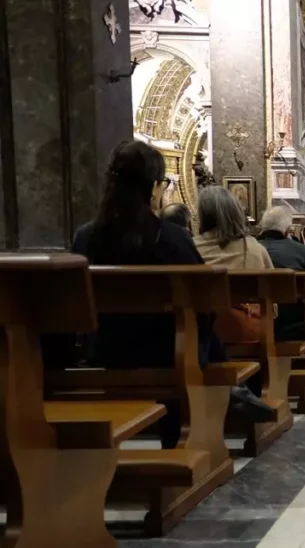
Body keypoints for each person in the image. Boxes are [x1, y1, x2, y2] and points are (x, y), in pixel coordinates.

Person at [68, 141, 273, 446]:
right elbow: (206, 303)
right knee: (192, 332)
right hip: (167, 356)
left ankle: (232, 392)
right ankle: (225, 398)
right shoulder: (171, 239)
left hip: (103, 351)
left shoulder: (85, 238)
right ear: (153, 188)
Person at [194, 186, 275, 347]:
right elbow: (273, 300)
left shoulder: (189, 247)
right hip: (245, 331)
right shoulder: (255, 249)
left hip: (198, 334)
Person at [258, 206, 305, 341]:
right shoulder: (300, 250)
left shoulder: (251, 249)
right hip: (293, 319)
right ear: (288, 230)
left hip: (256, 317)